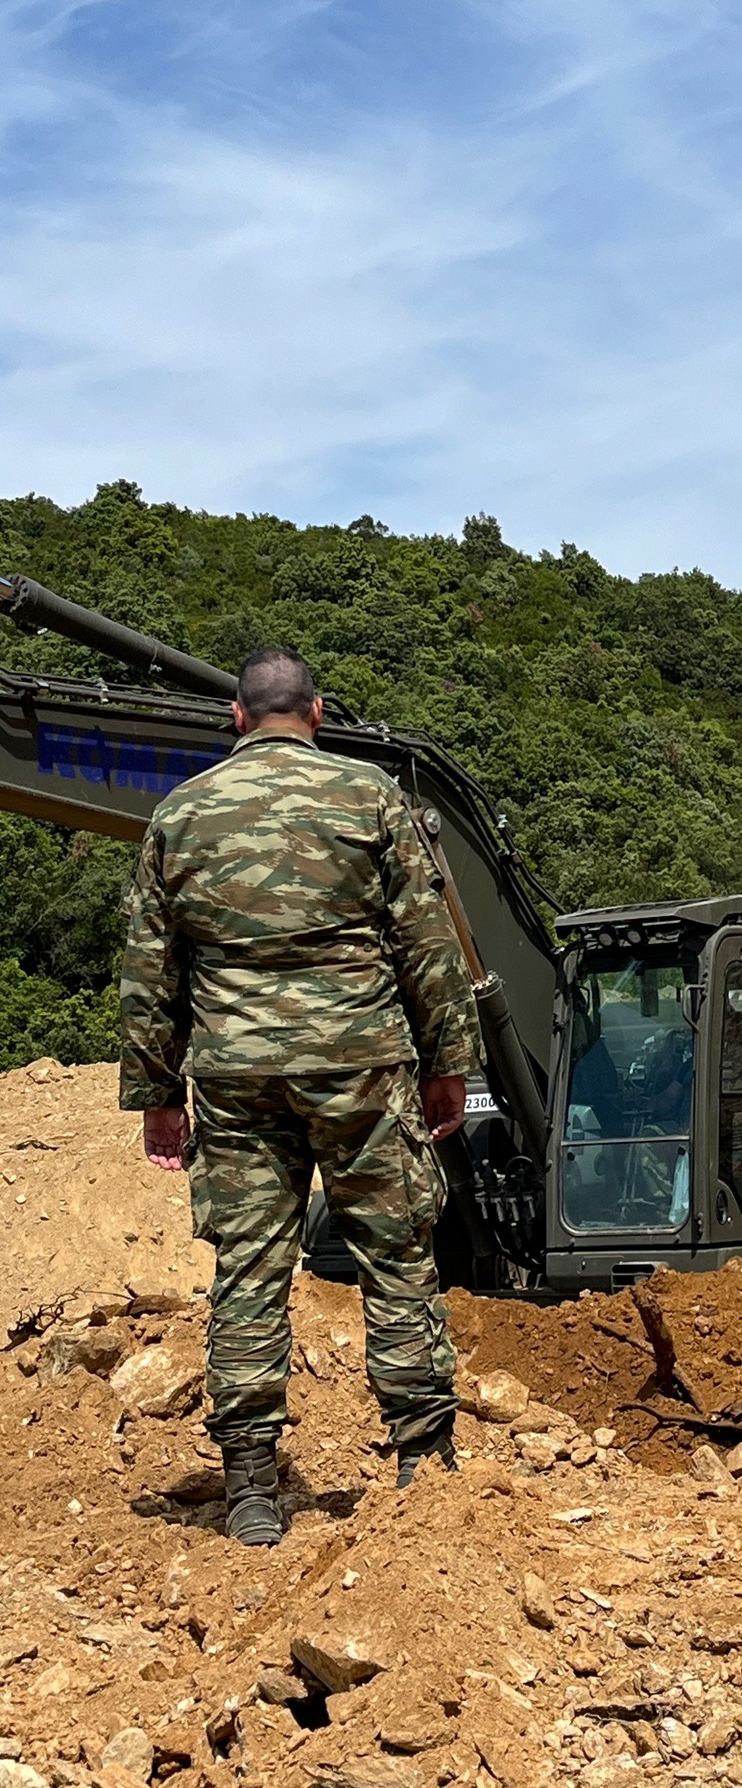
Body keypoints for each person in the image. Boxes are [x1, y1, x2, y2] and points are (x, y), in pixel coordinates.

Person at [119, 646, 480, 1545]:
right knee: (395, 1255)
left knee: (249, 1269)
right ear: (315, 713)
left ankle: (249, 1488)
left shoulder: (180, 813)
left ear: (237, 717)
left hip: (235, 1074)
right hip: (360, 1066)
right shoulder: (371, 797)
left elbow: (150, 970)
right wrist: (449, 1064)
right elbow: (428, 943)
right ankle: (421, 1461)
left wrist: (157, 1092)